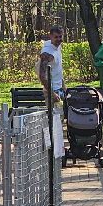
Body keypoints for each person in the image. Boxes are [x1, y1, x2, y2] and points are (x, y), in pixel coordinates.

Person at [38, 25, 67, 166]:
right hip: (51, 92)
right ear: (50, 36)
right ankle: (50, 155)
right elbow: (41, 75)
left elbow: (58, 69)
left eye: (61, 36)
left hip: (59, 89)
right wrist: (51, 92)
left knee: (59, 123)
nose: (59, 39)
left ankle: (57, 153)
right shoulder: (47, 53)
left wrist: (63, 86)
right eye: (56, 37)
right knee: (53, 124)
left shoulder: (56, 47)